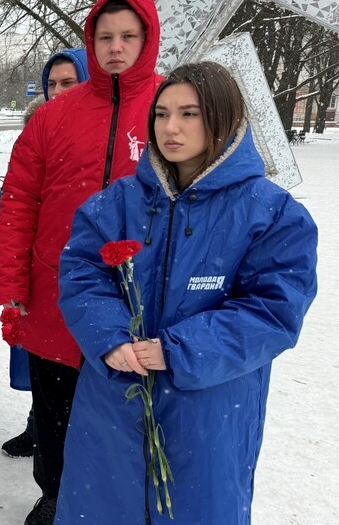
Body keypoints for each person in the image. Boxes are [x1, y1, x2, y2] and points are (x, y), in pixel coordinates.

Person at [56, 61, 318, 524]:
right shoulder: (116, 202)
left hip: (208, 407)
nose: (170, 127)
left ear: (223, 117)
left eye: (189, 114)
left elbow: (272, 313)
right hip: (116, 397)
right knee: (103, 506)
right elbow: (81, 272)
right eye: (160, 114)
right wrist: (110, 337)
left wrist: (177, 350)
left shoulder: (272, 213)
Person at [0, 0, 163, 525]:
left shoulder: (171, 107)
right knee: (56, 408)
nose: (116, 47)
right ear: (90, 41)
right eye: (105, 36)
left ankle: (119, 505)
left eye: (128, 36)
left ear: (147, 39)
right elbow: (19, 202)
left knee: (129, 411)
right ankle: (55, 494)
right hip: (56, 293)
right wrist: (14, 288)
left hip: (141, 296)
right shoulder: (53, 116)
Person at [2, 48, 89, 459]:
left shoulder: (98, 135)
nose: (57, 92)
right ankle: (38, 425)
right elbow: (20, 206)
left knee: (76, 368)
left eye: (67, 83)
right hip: (42, 270)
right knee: (43, 362)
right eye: (50, 84)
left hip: (86, 271)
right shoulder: (36, 129)